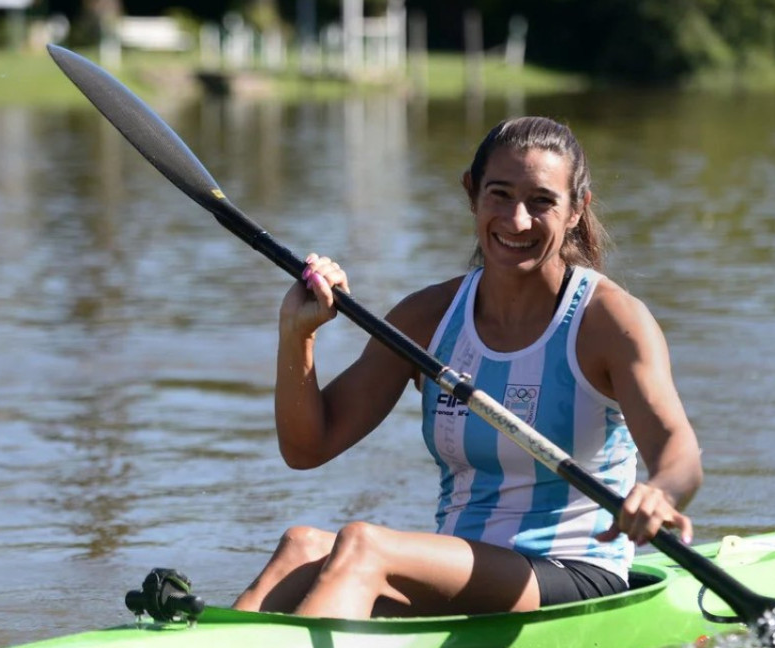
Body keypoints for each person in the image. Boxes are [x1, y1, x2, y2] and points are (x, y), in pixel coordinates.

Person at [231, 116, 703, 619]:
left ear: (575, 210)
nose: (517, 220)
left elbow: (681, 452)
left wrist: (659, 492)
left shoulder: (610, 321)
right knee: (300, 546)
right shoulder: (427, 318)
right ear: (471, 194)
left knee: (363, 545)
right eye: (499, 194)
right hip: (462, 573)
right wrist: (297, 333)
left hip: (575, 570)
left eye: (542, 201)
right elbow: (308, 447)